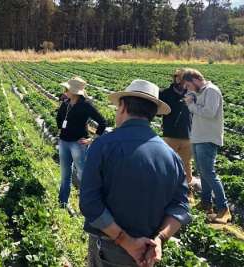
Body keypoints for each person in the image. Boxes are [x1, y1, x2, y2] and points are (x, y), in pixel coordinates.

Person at [80, 80, 191, 267]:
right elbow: (180, 206)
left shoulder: (103, 145)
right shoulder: (170, 155)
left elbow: (90, 203)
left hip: (110, 249)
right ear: (153, 114)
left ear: (123, 106)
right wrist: (160, 239)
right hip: (148, 253)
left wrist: (125, 241)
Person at [182, 68, 231, 224]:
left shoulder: (212, 91)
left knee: (209, 173)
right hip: (198, 137)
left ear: (195, 80)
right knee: (203, 173)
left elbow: (209, 112)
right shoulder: (199, 92)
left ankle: (224, 209)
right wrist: (192, 97)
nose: (188, 89)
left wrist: (191, 105)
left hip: (208, 138)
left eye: (188, 86)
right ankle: (206, 203)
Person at [56, 76, 107, 210]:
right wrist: (62, 128)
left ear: (74, 91)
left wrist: (93, 138)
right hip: (64, 142)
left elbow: (102, 122)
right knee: (65, 174)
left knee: (82, 175)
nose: (64, 90)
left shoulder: (85, 106)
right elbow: (59, 118)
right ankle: (62, 203)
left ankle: (88, 205)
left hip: (78, 144)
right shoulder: (66, 103)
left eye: (67, 88)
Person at [160, 68, 194, 202]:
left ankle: (188, 192)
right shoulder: (165, 94)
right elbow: (158, 111)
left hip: (188, 135)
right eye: (179, 78)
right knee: (169, 164)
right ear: (175, 78)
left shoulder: (191, 95)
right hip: (170, 135)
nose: (182, 81)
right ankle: (167, 191)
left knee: (186, 165)